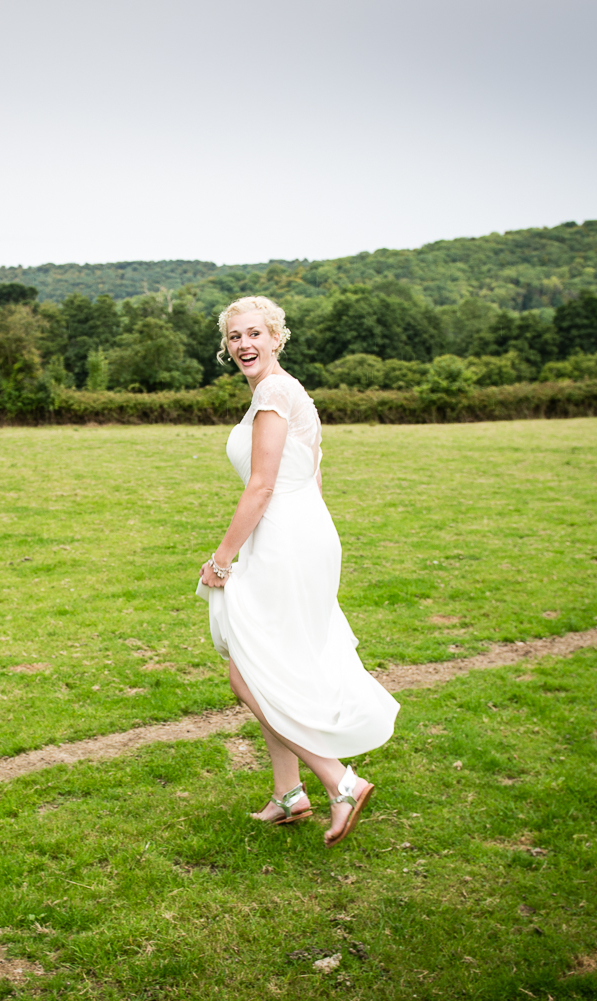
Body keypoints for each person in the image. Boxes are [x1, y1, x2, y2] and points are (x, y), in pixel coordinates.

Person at [196, 296, 399, 847]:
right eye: (235, 336)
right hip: (303, 532)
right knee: (269, 662)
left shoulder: (273, 392)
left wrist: (221, 559)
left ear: (277, 337)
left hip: (285, 537)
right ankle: (289, 795)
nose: (245, 345)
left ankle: (339, 779)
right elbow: (312, 470)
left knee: (248, 671)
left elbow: (261, 485)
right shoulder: (289, 391)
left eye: (255, 333)